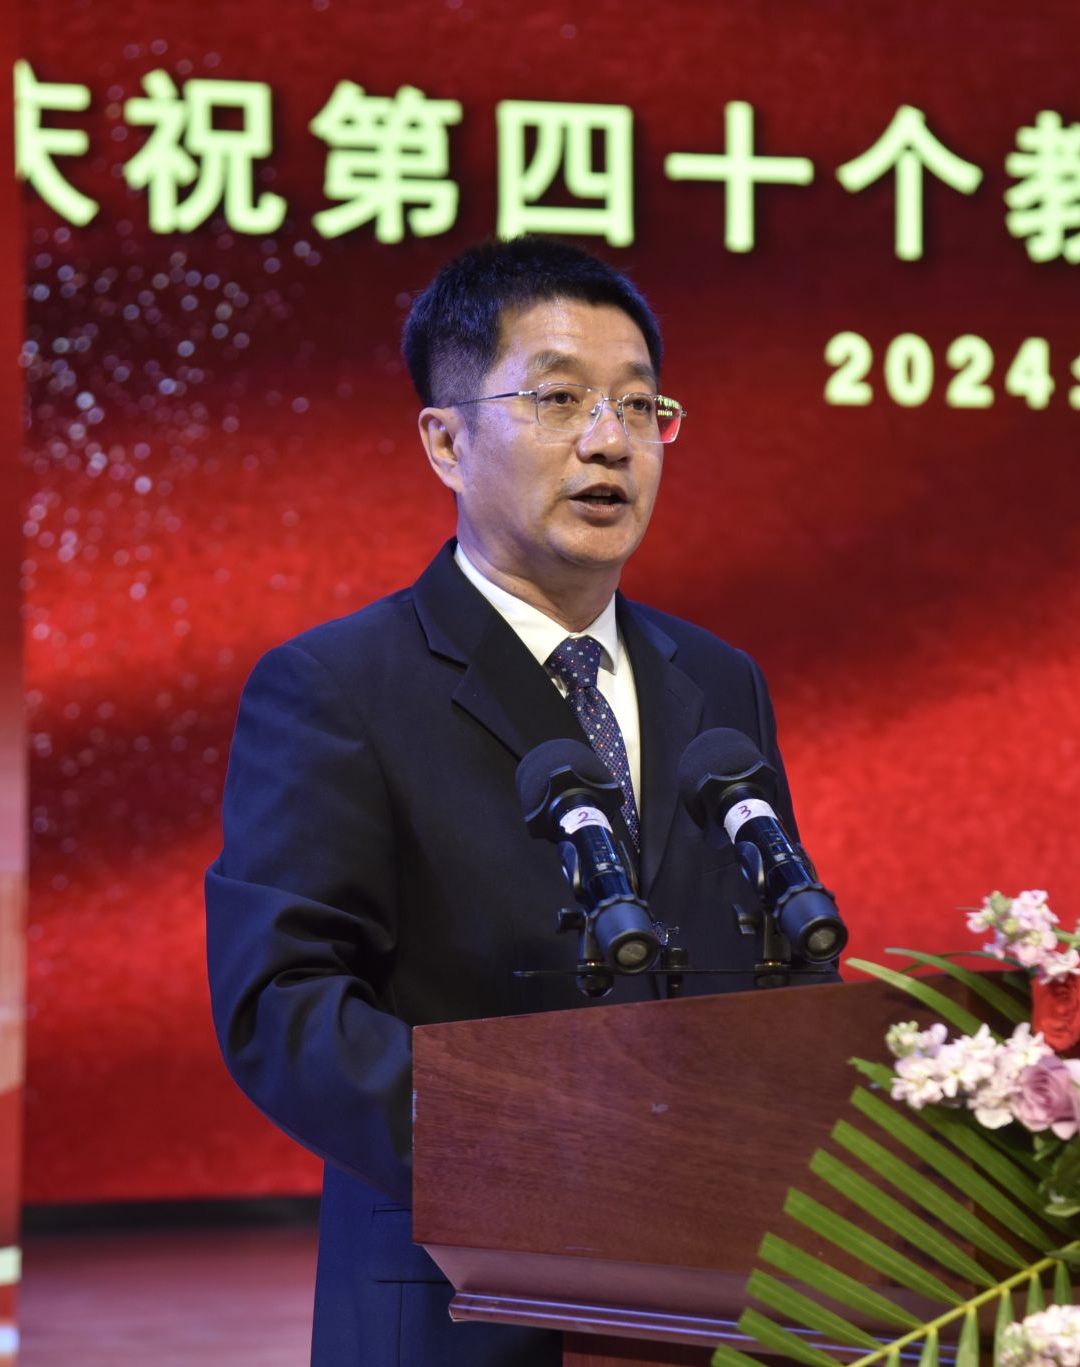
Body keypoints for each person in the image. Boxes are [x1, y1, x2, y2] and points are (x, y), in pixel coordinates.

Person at [206, 236, 810, 1367]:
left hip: (719, 1301)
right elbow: (284, 1006)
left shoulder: (717, 680)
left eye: (641, 406)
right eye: (558, 398)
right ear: (446, 441)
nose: (609, 440)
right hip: (464, 1310)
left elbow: (782, 948)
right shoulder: (337, 686)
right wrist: (539, 1147)